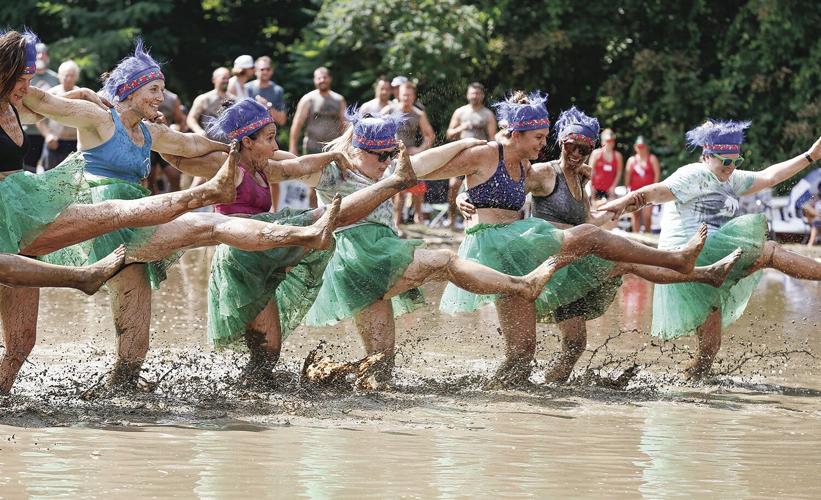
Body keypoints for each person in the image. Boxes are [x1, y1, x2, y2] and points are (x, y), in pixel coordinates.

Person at [13, 37, 343, 392]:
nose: (159, 97)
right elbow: (45, 102)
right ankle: (303, 234)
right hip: (105, 219)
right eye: (153, 89)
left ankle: (117, 391)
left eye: (162, 90)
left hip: (139, 215)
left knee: (137, 332)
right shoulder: (98, 119)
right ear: (131, 89)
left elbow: (190, 144)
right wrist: (27, 75)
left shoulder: (147, 131)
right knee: (207, 225)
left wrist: (233, 143)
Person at [433, 91, 709, 386]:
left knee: (568, 346)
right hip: (534, 258)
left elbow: (587, 221)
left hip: (570, 261)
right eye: (571, 146)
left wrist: (618, 209)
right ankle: (693, 268)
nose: (577, 153)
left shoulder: (582, 178)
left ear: (592, 149)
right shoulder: (541, 172)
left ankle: (544, 390)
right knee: (623, 264)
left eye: (584, 148)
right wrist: (464, 195)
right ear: (561, 143)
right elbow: (494, 184)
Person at [167, 100, 428, 383]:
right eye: (269, 139)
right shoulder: (229, 166)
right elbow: (180, 157)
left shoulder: (266, 168)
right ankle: (245, 398)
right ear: (247, 142)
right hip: (241, 252)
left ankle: (253, 390)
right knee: (266, 352)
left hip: (265, 245)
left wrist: (331, 157)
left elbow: (299, 164)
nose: (275, 145)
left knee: (269, 353)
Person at [302, 108, 562, 384]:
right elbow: (287, 169)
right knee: (444, 261)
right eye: (381, 155)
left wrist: (467, 143)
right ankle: (521, 285)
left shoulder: (389, 170)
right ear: (358, 150)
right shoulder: (332, 173)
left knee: (381, 368)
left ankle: (330, 379)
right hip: (359, 259)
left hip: (376, 263)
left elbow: (424, 162)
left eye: (390, 154)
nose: (387, 161)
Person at [601, 121, 821, 378]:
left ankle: (684, 389)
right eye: (724, 162)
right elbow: (655, 193)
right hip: (690, 255)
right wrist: (622, 203)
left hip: (715, 259)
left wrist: (810, 156)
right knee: (770, 251)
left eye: (735, 161)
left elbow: (770, 176)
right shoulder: (694, 174)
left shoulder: (731, 178)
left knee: (710, 349)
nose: (730, 168)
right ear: (706, 156)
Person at [289, 66, 346, 207]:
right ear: (314, 80)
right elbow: (297, 123)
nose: (322, 80)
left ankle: (332, 215)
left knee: (335, 183)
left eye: (324, 77)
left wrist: (345, 146)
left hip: (333, 148)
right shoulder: (308, 99)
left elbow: (344, 125)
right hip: (312, 147)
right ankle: (313, 215)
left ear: (330, 79)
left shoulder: (338, 100)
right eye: (319, 77)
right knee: (312, 185)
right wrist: (293, 147)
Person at [382, 81, 435, 226]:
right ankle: (396, 221)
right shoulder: (389, 110)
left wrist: (419, 150)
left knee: (416, 186)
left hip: (410, 153)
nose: (406, 98)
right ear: (399, 95)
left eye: (409, 96)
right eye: (404, 95)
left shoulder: (418, 114)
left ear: (414, 97)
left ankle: (418, 218)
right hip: (390, 155)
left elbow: (430, 136)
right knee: (395, 189)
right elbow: (377, 128)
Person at [445, 82, 496, 229]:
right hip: (461, 155)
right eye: (472, 93)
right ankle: (451, 219)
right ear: (468, 94)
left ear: (482, 95)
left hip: (481, 157)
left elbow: (492, 138)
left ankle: (475, 222)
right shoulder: (460, 112)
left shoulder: (487, 114)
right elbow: (449, 134)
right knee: (453, 186)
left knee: (479, 189)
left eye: (478, 93)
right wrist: (462, 127)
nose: (475, 96)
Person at [21, 41, 59, 172]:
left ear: (47, 56)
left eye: (44, 53)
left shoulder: (55, 78)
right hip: (28, 129)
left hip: (50, 130)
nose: (41, 56)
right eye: (38, 53)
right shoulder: (26, 75)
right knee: (28, 167)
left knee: (50, 169)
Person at [38, 60, 80, 170]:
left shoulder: (82, 94)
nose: (69, 79)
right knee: (50, 178)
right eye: (66, 75)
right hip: (54, 142)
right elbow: (38, 119)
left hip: (76, 143)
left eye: (72, 76)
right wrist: (48, 135)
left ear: (76, 77)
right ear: (60, 76)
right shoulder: (51, 94)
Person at [147, 87, 186, 193]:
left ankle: (175, 206)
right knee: (150, 179)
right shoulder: (144, 94)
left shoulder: (172, 98)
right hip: (148, 141)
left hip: (165, 141)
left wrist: (176, 129)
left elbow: (180, 120)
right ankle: (154, 207)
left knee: (174, 176)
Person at [625, 136, 661, 232]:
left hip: (648, 192)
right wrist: (627, 191)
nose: (641, 149)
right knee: (635, 215)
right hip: (634, 191)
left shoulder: (652, 159)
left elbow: (657, 175)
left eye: (642, 146)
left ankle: (647, 236)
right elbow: (627, 177)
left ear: (646, 147)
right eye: (639, 146)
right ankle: (636, 238)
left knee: (647, 215)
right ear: (635, 147)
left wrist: (654, 190)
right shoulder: (631, 160)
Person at [186, 67, 230, 136]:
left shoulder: (233, 99)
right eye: (223, 78)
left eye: (228, 78)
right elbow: (191, 118)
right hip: (208, 142)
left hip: (229, 142)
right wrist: (199, 131)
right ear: (214, 80)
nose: (226, 81)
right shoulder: (203, 99)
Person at [244, 56, 286, 126]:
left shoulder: (278, 90)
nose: (265, 72)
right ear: (255, 71)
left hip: (271, 135)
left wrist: (267, 106)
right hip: (250, 135)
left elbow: (282, 121)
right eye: (262, 69)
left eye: (268, 69)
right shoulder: (246, 88)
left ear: (272, 71)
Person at [588, 128, 623, 201]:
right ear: (603, 142)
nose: (610, 143)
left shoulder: (617, 156)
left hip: (610, 189)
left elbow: (619, 172)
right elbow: (590, 171)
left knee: (610, 210)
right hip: (596, 188)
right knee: (595, 210)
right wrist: (591, 186)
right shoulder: (596, 154)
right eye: (608, 141)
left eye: (612, 141)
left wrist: (613, 186)